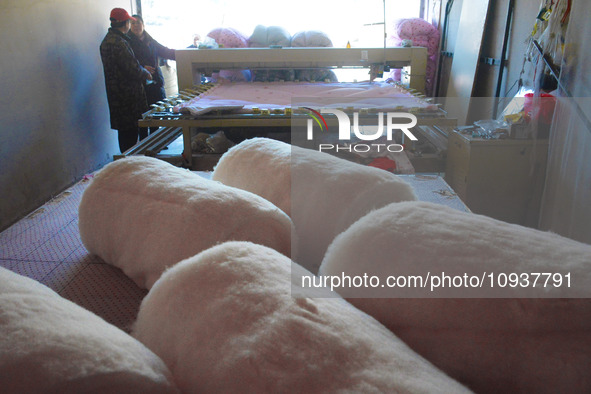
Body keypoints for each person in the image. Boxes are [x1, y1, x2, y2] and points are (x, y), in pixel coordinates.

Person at [100, 8, 152, 153]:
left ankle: (127, 163)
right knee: (130, 136)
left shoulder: (107, 40)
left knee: (125, 134)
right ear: (126, 23)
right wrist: (145, 73)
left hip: (117, 96)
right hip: (128, 98)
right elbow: (132, 68)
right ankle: (130, 166)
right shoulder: (119, 42)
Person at [128, 14, 176, 115]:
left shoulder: (150, 40)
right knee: (144, 117)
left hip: (156, 82)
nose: (136, 25)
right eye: (133, 23)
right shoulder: (127, 42)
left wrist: (182, 55)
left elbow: (164, 51)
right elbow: (128, 62)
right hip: (140, 85)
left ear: (143, 25)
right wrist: (142, 68)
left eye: (138, 23)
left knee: (159, 114)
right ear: (129, 25)